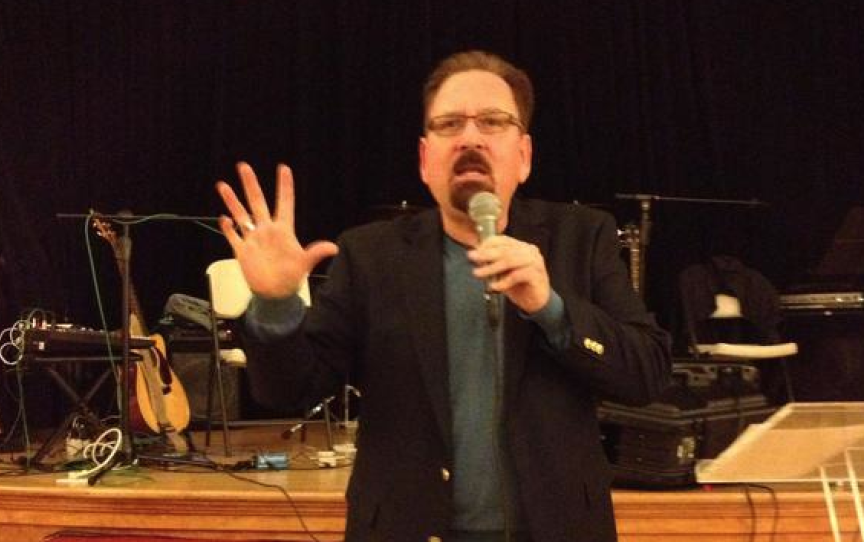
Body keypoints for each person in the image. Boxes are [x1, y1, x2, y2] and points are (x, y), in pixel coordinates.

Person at [216, 50, 671, 542]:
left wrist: (551, 309)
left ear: (524, 157)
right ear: (425, 159)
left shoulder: (581, 238)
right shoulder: (372, 255)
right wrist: (278, 304)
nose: (470, 137)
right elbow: (290, 390)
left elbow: (646, 373)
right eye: (449, 124)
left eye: (493, 122)